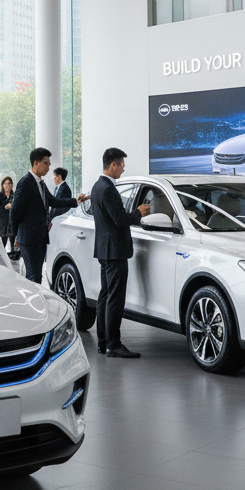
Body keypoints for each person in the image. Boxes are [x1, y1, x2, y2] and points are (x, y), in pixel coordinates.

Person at [90, 147, 150, 358]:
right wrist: (138, 213)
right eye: (122, 165)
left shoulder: (97, 186)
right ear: (113, 164)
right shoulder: (108, 189)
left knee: (105, 296)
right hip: (115, 251)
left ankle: (103, 342)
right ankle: (114, 345)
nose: (124, 169)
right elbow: (120, 219)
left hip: (105, 249)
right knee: (114, 298)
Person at [9, 147, 88, 285]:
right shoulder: (25, 182)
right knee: (33, 277)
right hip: (28, 238)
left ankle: (34, 298)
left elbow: (54, 201)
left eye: (49, 163)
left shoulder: (40, 183)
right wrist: (15, 234)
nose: (48, 166)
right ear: (36, 163)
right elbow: (15, 210)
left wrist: (76, 201)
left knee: (36, 276)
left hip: (39, 237)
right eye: (45, 163)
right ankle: (31, 299)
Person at [0, 176, 19, 258]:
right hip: (2, 221)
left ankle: (12, 255)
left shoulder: (15, 195)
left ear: (12, 185)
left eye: (9, 184)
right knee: (3, 239)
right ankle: (1, 256)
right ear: (2, 185)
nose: (7, 185)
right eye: (5, 184)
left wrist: (12, 206)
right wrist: (5, 206)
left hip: (12, 220)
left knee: (12, 238)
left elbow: (18, 207)